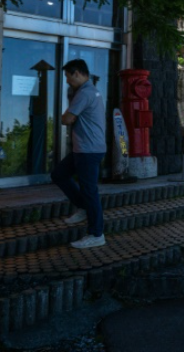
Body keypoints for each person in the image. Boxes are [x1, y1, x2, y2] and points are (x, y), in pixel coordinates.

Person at [52, 59, 107, 249]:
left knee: (90, 192)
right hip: (84, 149)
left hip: (88, 150)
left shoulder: (84, 93)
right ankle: (82, 207)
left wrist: (64, 116)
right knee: (59, 174)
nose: (67, 81)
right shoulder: (92, 91)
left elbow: (67, 119)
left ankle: (96, 234)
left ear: (77, 73)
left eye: (68, 76)